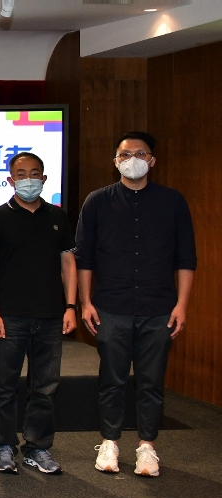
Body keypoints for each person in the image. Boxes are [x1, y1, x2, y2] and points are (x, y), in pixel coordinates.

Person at [80, 131, 195, 478]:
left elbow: (186, 258)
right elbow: (84, 258)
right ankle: (109, 442)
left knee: (151, 381)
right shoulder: (97, 201)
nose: (132, 160)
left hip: (159, 308)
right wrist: (85, 302)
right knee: (111, 380)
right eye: (125, 154)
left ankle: (147, 446)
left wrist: (182, 305)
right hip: (110, 305)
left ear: (152, 160)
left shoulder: (172, 201)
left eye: (140, 154)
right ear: (115, 161)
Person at [0, 152, 77, 475]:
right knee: (4, 387)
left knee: (45, 388)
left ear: (44, 179)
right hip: (9, 317)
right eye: (21, 174)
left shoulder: (58, 217)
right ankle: (4, 444)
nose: (28, 180)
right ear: (11, 180)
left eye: (35, 174)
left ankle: (38, 446)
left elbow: (68, 263)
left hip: (50, 315)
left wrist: (71, 306)